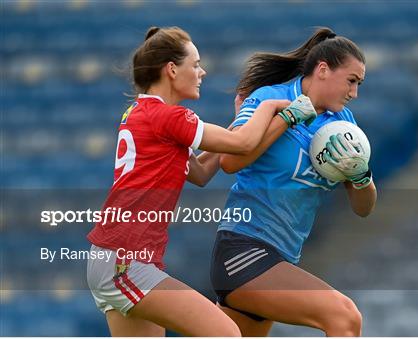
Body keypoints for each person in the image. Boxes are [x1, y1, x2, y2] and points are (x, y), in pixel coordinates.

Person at [86, 26, 317, 337]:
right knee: (227, 333)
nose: (202, 72)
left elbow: (201, 172)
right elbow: (245, 145)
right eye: (194, 64)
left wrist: (241, 120)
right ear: (171, 69)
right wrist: (274, 107)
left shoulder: (143, 112)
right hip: (126, 263)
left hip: (119, 261)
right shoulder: (171, 117)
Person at [211, 27, 377, 336]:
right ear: (323, 70)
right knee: (344, 317)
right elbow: (229, 161)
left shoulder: (344, 125)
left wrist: (361, 176)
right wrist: (285, 119)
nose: (354, 93)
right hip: (244, 249)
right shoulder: (271, 98)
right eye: (351, 81)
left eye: (359, 84)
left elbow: (364, 208)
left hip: (281, 257)